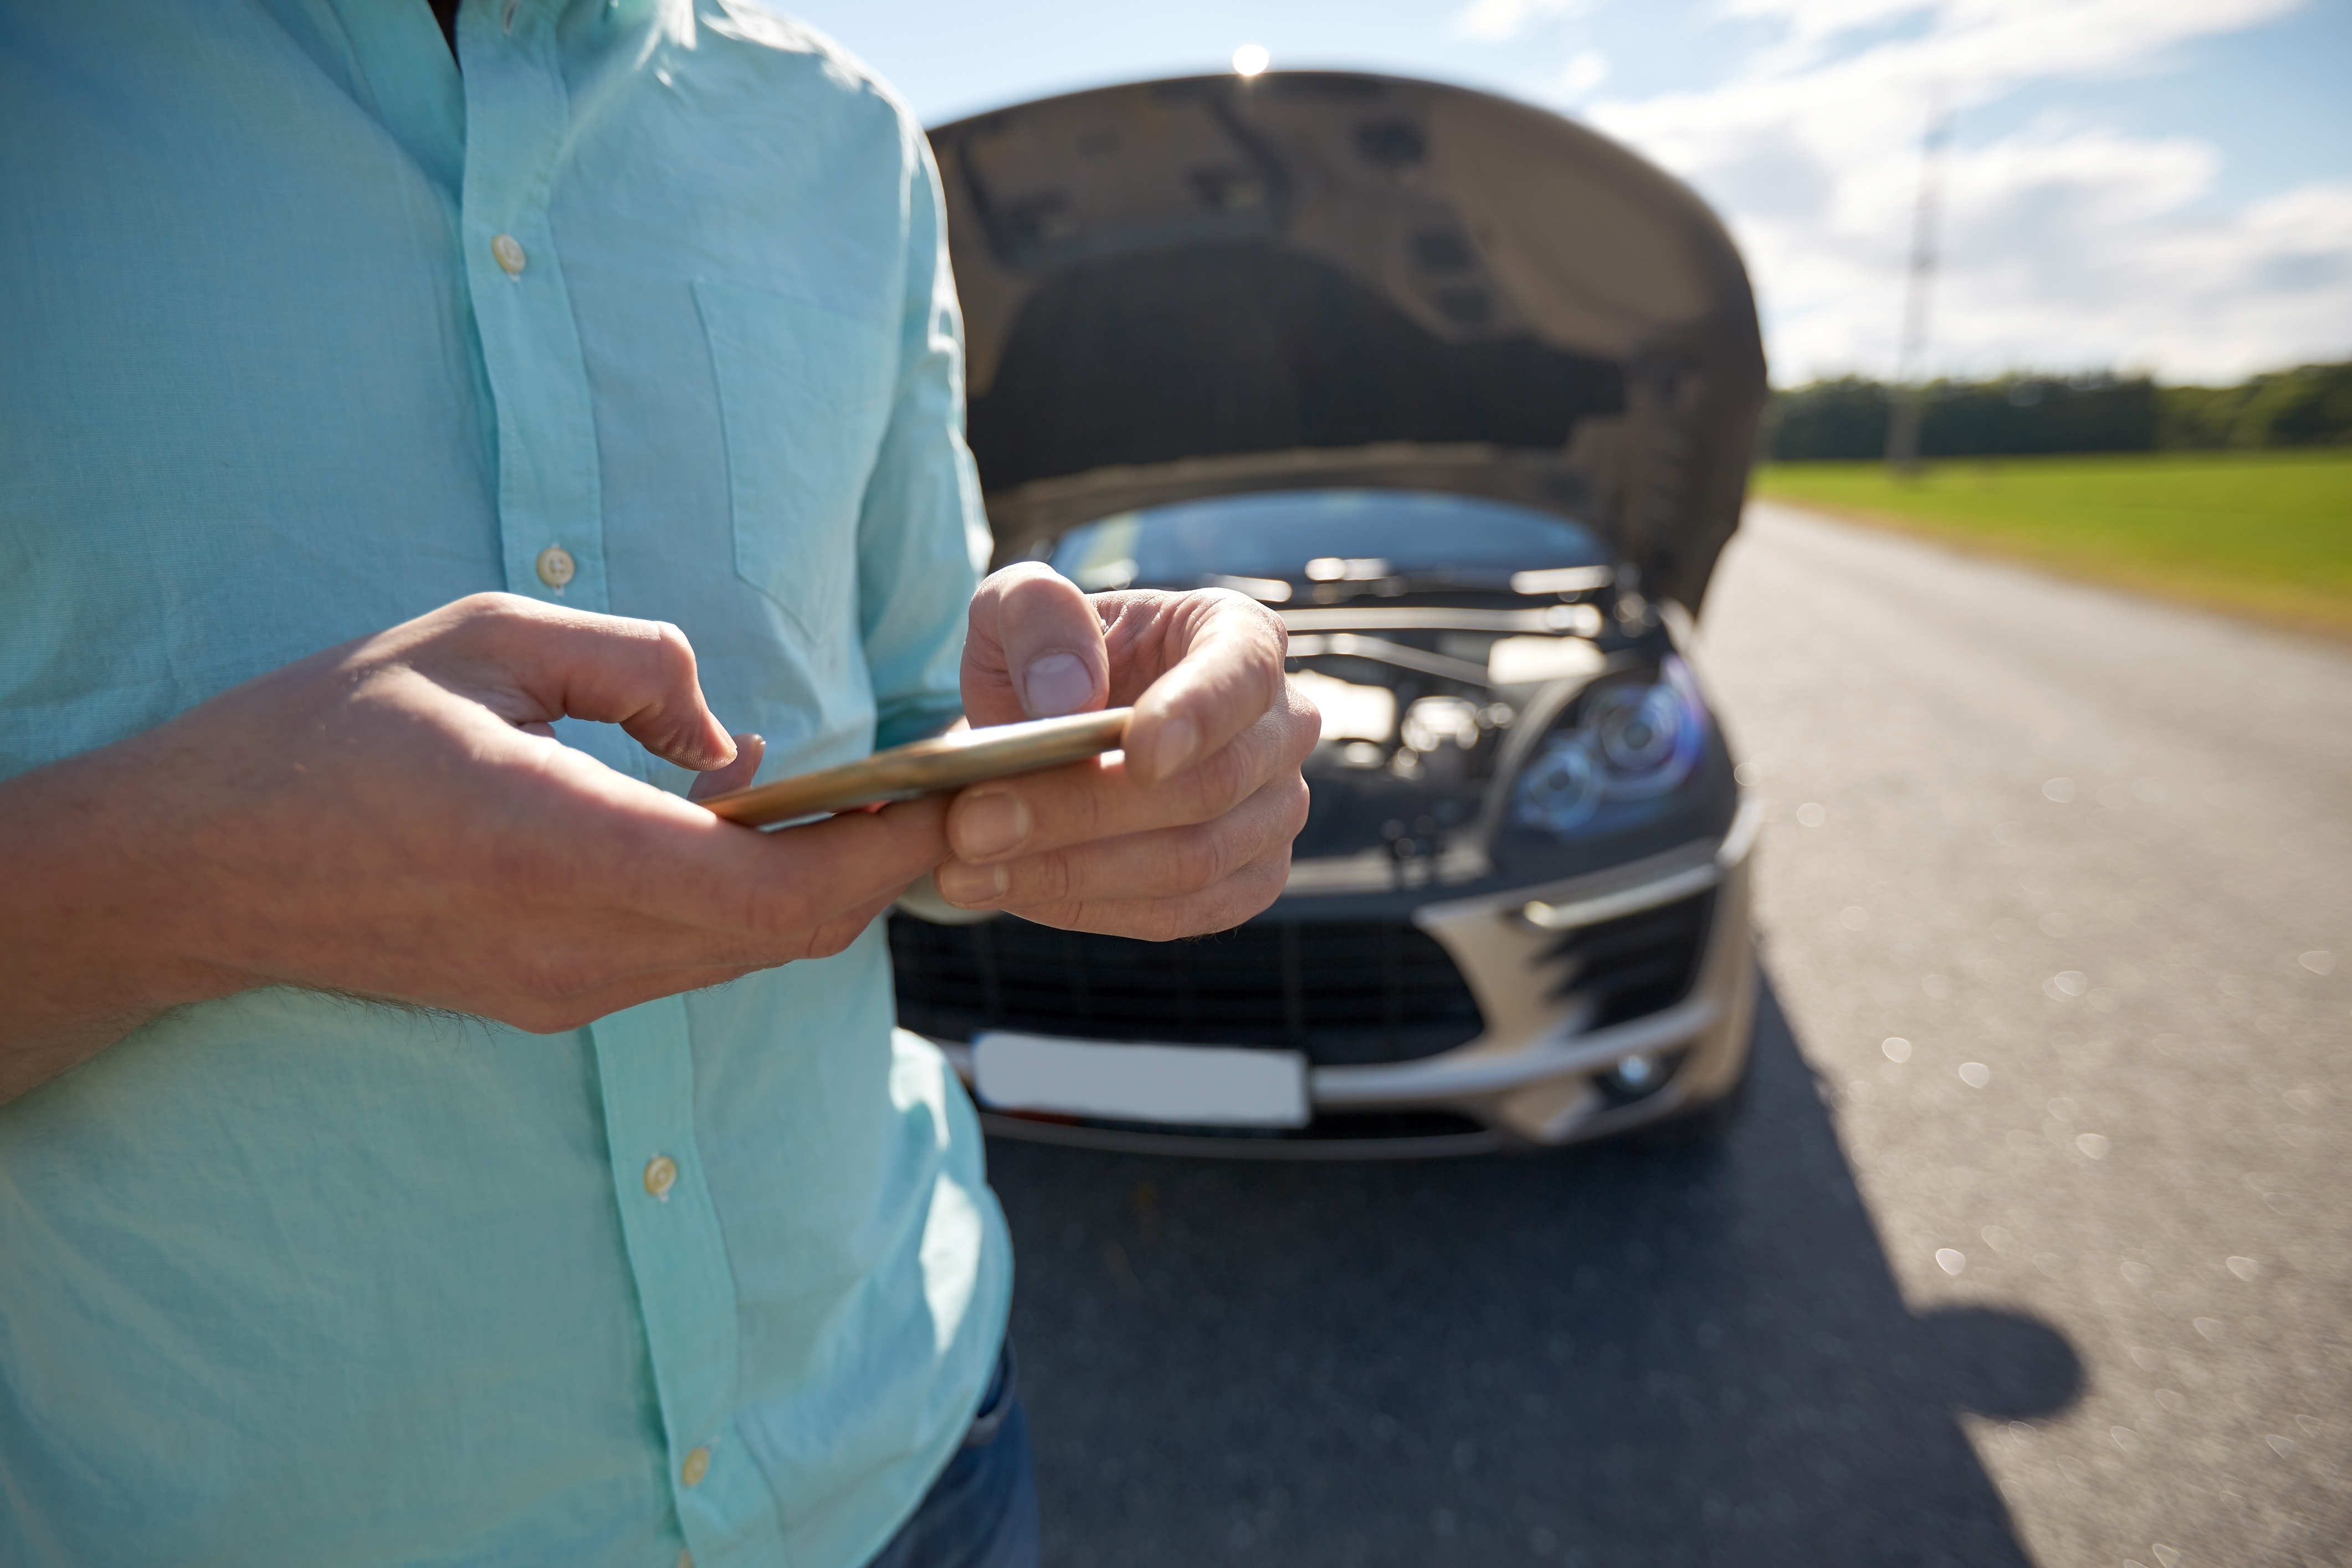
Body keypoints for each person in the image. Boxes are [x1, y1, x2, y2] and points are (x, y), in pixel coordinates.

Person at [0, 5, 1315, 1566]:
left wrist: (1081, 739)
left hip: (910, 1458)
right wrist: (209, 875)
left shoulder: (848, 145)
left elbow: (900, 706)